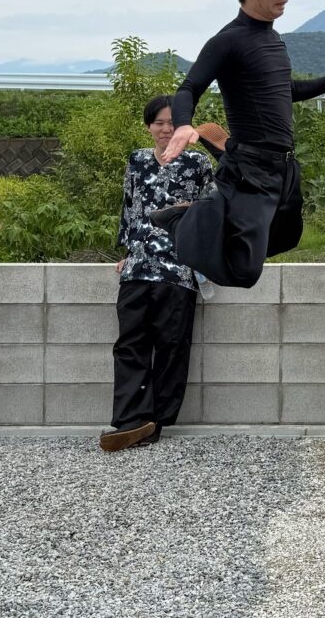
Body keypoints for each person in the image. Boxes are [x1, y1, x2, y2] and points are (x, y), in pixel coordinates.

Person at [152, 0, 325, 288]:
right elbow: (189, 88)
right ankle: (187, 218)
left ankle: (218, 204)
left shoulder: (274, 41)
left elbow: (286, 92)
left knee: (286, 237)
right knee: (245, 272)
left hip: (284, 166)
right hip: (251, 168)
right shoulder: (227, 41)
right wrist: (184, 124)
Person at [100, 95, 215, 452]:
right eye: (158, 123)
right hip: (138, 268)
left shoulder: (198, 161)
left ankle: (158, 420)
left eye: (171, 122)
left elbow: (213, 209)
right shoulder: (137, 160)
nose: (165, 129)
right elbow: (129, 207)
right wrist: (127, 251)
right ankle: (129, 419)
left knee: (172, 345)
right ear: (149, 125)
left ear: (185, 126)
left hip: (178, 268)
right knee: (130, 345)